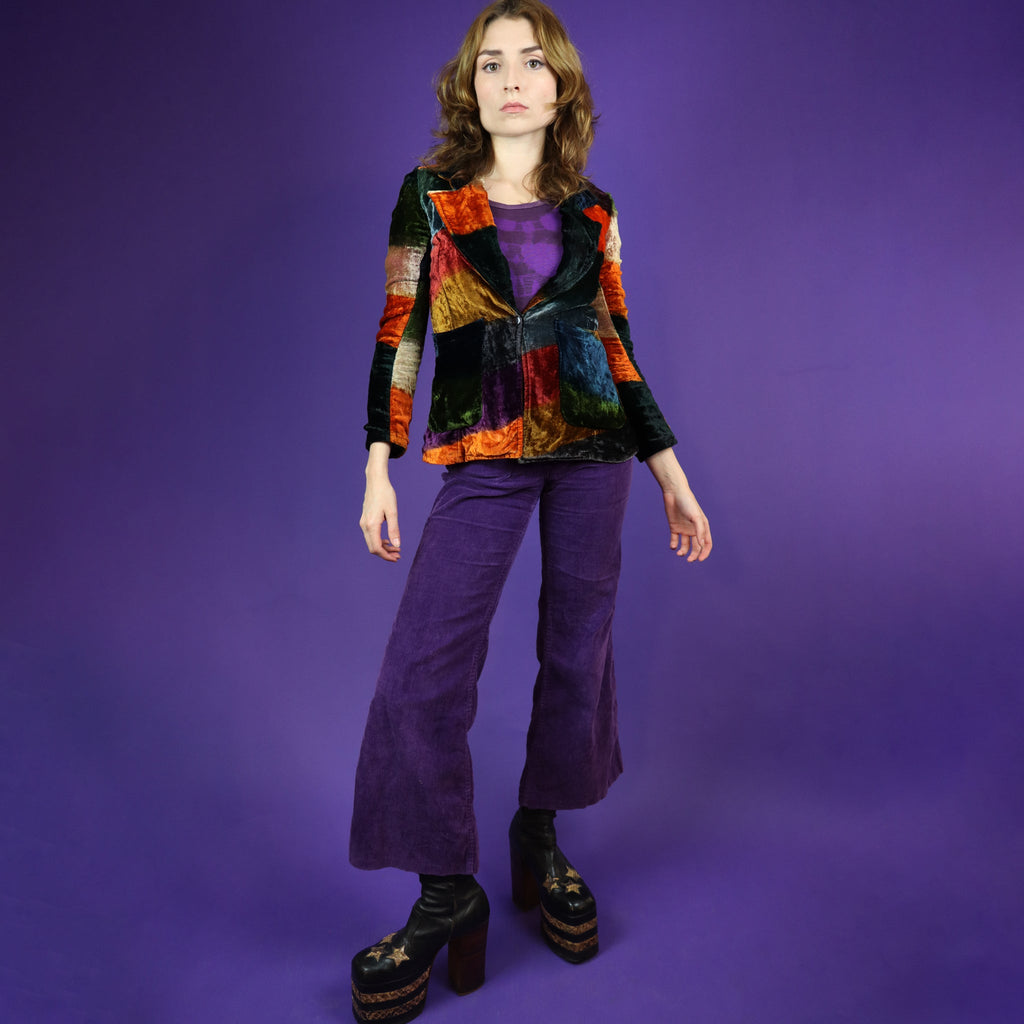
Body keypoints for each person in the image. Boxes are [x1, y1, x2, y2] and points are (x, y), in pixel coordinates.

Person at [349, 2, 711, 1020]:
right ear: (470, 88)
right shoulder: (429, 198)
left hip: (595, 451)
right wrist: (378, 463)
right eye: (491, 64)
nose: (511, 79)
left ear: (561, 88)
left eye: (532, 63)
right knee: (423, 670)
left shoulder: (595, 211)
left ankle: (539, 832)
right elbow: (399, 331)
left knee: (576, 650)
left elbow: (617, 345)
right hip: (485, 453)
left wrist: (670, 472)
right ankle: (445, 890)